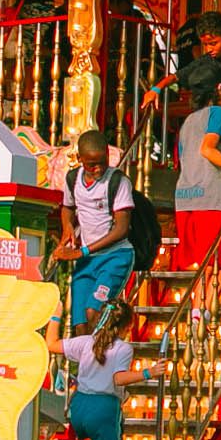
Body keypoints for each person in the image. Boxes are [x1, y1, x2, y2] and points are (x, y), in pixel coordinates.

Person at [57, 129, 140, 333]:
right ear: (79, 159)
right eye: (91, 164)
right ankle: (87, 364)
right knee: (80, 324)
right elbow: (67, 207)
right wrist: (68, 227)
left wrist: (83, 251)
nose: (98, 169)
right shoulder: (72, 179)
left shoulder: (118, 182)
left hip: (114, 256)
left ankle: (105, 356)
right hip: (86, 261)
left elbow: (121, 229)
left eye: (102, 162)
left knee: (93, 313)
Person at [171, 59, 221, 269]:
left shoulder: (188, 121)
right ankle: (201, 303)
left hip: (184, 198)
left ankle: (196, 302)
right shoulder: (219, 113)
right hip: (209, 199)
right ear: (219, 88)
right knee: (213, 267)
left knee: (194, 266)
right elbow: (207, 148)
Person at [62, 309, 138, 440]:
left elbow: (51, 344)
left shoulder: (87, 342)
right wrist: (149, 373)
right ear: (127, 327)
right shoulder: (123, 348)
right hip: (103, 406)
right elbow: (119, 378)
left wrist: (56, 314)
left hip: (80, 405)